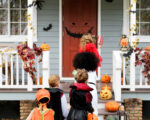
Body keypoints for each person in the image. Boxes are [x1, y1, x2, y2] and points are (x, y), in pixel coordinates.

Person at [73, 33, 102, 115]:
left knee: (80, 112)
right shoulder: (94, 56)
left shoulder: (79, 58)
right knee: (93, 112)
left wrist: (75, 74)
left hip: (79, 89)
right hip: (91, 87)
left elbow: (75, 73)